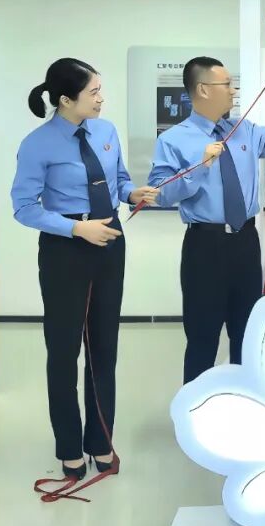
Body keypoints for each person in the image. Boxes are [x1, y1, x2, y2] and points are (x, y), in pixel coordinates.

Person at [12, 58, 159, 480]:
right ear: (65, 100)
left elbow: (118, 180)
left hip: (110, 243)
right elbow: (23, 207)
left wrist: (132, 193)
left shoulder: (106, 131)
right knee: (63, 351)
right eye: (93, 92)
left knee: (104, 348)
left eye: (100, 90)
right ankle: (69, 449)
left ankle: (100, 441)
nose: (101, 99)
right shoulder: (37, 144)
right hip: (65, 249)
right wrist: (77, 228)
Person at [150, 57, 265, 383]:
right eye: (228, 84)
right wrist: (199, 166)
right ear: (203, 89)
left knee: (246, 335)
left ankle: (242, 405)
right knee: (203, 337)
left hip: (245, 241)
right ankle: (197, 409)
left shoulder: (244, 129)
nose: (234, 91)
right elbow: (160, 194)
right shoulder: (173, 140)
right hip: (205, 245)